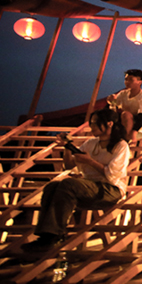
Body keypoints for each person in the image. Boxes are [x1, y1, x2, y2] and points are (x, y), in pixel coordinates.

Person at [21, 108, 130, 252]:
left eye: (96, 123)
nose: (92, 127)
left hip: (110, 189)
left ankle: (55, 234)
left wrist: (90, 161)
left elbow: (112, 174)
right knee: (51, 187)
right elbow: (69, 165)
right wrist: (67, 147)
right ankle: (45, 235)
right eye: (91, 123)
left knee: (68, 184)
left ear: (110, 124)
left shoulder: (121, 146)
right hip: (88, 187)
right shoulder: (91, 143)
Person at [107, 68, 142, 141]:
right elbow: (114, 105)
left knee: (126, 114)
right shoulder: (123, 94)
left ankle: (125, 139)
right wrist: (110, 101)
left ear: (139, 82)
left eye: (131, 80)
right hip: (127, 123)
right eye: (126, 79)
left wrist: (134, 133)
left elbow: (141, 117)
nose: (127, 82)